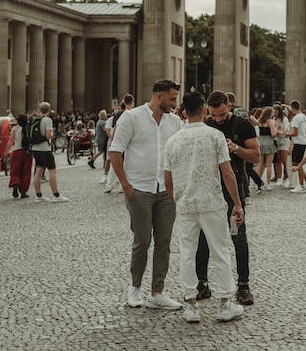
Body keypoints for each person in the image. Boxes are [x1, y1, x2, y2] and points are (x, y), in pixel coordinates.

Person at [162, 92, 244, 323]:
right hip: (212, 202)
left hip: (186, 204)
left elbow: (167, 178)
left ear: (184, 112)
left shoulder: (172, 140)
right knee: (220, 251)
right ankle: (226, 302)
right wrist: (237, 203)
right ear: (205, 110)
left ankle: (191, 305)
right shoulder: (215, 136)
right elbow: (227, 173)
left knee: (187, 254)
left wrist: (174, 198)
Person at [109, 79, 183, 310]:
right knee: (142, 240)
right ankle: (135, 288)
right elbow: (115, 151)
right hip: (139, 189)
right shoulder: (131, 117)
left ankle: (157, 292)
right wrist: (126, 185)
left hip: (166, 192)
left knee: (164, 243)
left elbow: (179, 154)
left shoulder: (175, 122)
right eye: (171, 99)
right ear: (159, 96)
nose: (174, 104)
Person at [197, 91, 260, 307]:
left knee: (238, 237)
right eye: (213, 115)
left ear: (229, 106)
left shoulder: (243, 125)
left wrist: (236, 148)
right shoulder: (205, 124)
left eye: (222, 115)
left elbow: (255, 155)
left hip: (233, 189)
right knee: (203, 237)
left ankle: (243, 286)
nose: (218, 119)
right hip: (208, 188)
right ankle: (202, 284)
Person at [31, 102, 69, 203]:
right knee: (52, 170)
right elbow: (48, 135)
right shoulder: (47, 120)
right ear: (48, 110)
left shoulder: (35, 119)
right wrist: (52, 133)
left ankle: (38, 195)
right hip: (45, 149)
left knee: (38, 170)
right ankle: (56, 195)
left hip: (35, 148)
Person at [286, 100, 306, 192]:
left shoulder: (296, 118)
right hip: (302, 141)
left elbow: (295, 133)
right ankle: (305, 181)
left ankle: (301, 184)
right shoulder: (303, 116)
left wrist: (287, 134)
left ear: (292, 108)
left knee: (296, 164)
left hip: (298, 142)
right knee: (298, 164)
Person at [8, 114, 31, 199]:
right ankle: (23, 192)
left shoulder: (15, 129)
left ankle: (15, 184)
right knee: (26, 172)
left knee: (15, 170)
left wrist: (6, 152)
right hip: (27, 152)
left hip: (17, 151)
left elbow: (10, 141)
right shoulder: (28, 128)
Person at [254, 107, 276, 187]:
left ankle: (257, 182)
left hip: (260, 143)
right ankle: (268, 184)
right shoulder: (271, 122)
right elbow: (273, 134)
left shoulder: (259, 121)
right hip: (269, 143)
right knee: (269, 165)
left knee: (259, 164)